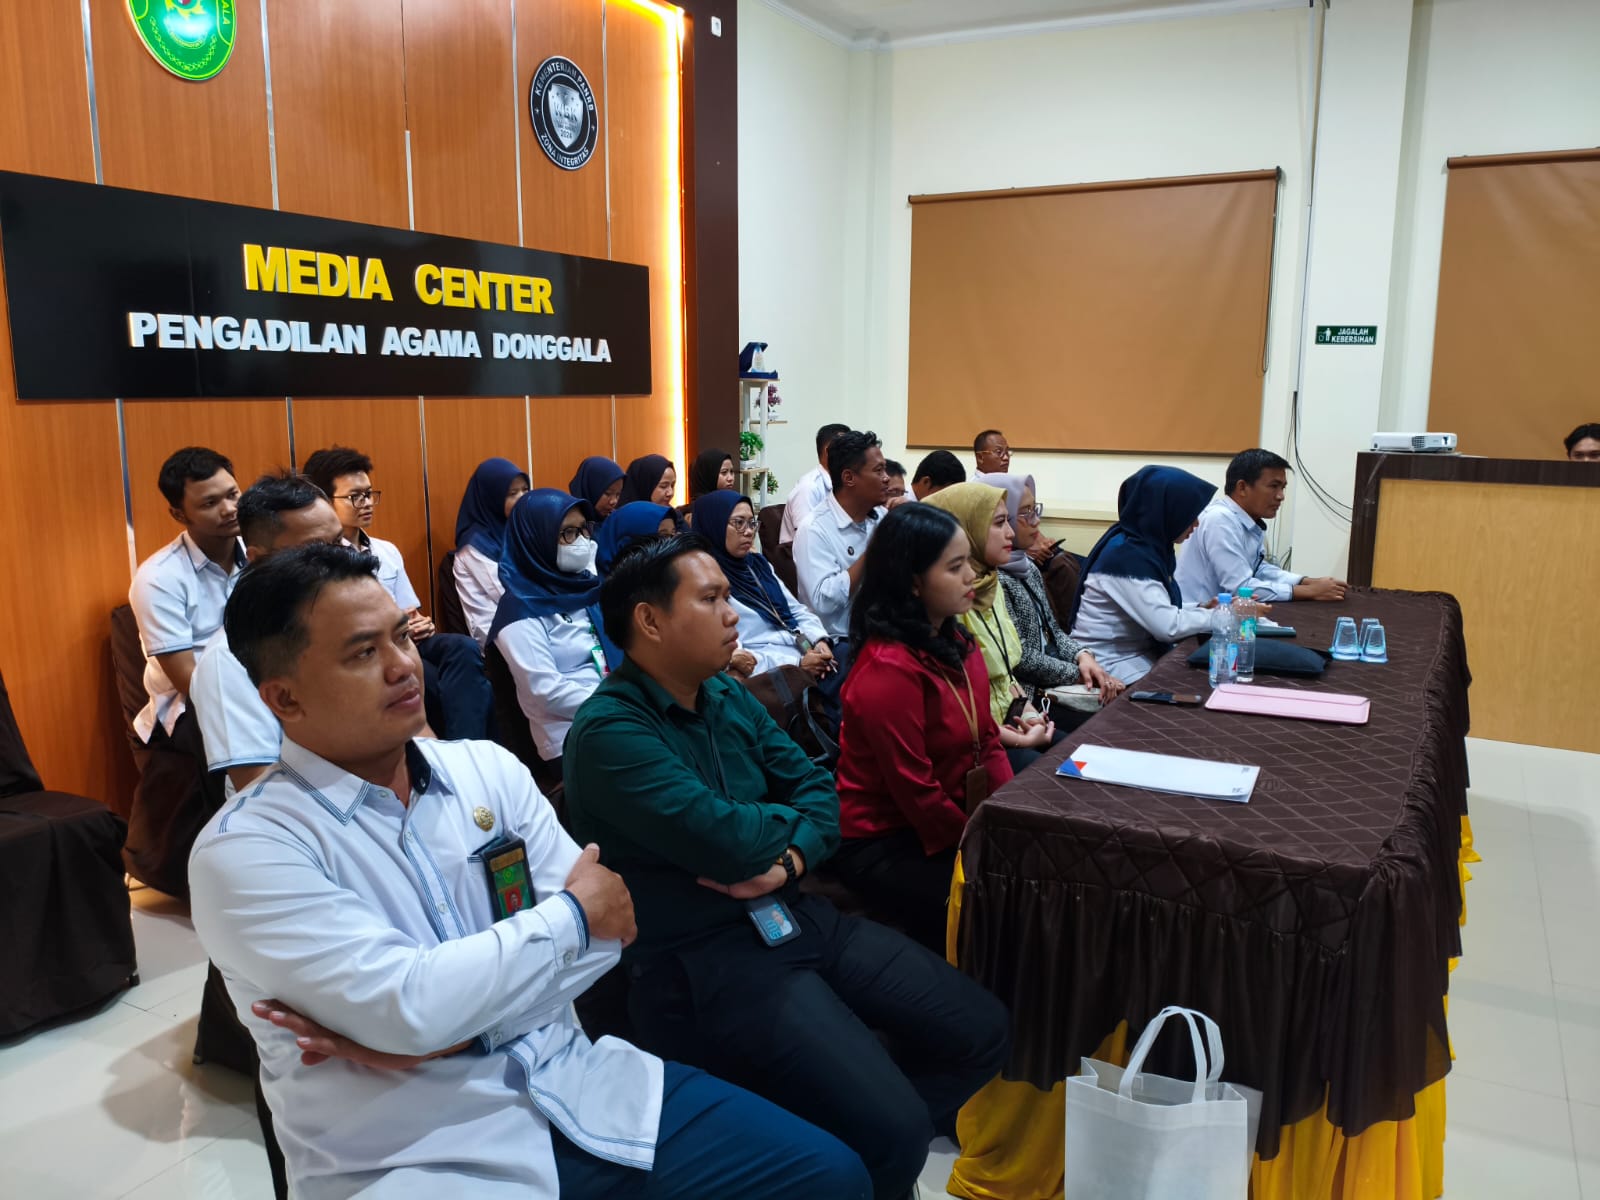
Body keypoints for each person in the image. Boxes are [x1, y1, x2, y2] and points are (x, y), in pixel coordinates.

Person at [189, 542, 872, 1200]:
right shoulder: (247, 851)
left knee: (833, 1174)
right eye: (364, 653)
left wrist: (438, 1029)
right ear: (284, 699)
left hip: (580, 1084)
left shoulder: (484, 770)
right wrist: (567, 919)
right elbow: (417, 1004)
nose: (404, 667)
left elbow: (613, 933)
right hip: (413, 1153)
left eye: (401, 637)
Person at [564, 535, 1010, 1200]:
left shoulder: (724, 694)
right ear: (649, 620)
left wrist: (790, 856)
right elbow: (729, 844)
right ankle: (848, 1152)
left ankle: (827, 1152)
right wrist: (777, 835)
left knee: (981, 1031)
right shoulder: (609, 734)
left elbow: (819, 791)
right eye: (711, 598)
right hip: (707, 958)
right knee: (893, 1129)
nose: (733, 613)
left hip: (795, 915)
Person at [831, 504, 1013, 952]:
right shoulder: (886, 671)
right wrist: (978, 846)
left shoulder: (955, 641)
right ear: (913, 581)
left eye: (968, 560)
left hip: (950, 816)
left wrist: (1011, 818)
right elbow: (916, 791)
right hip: (884, 838)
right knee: (994, 900)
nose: (972, 575)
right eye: (955, 567)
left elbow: (987, 740)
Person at [304, 445, 494, 739]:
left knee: (463, 649)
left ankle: (468, 746)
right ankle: (461, 747)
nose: (366, 503)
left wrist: (423, 623)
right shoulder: (320, 558)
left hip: (406, 640)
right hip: (368, 649)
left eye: (369, 494)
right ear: (325, 501)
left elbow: (411, 612)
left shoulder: (386, 550)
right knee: (433, 681)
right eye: (355, 496)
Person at [124, 446, 246, 894]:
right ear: (179, 512)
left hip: (270, 684)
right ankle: (239, 872)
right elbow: (190, 681)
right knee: (239, 730)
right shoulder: (159, 578)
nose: (230, 509)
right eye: (210, 503)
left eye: (233, 494)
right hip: (191, 704)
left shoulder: (265, 551)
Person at [924, 482, 1057, 772]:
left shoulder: (990, 583)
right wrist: (1022, 738)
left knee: (1076, 756)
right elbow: (957, 717)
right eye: (999, 523)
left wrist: (1030, 714)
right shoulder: (947, 604)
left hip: (1008, 720)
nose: (1010, 532)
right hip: (977, 741)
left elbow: (1008, 674)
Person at [977, 471, 1123, 714]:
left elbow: (1053, 631)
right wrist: (1078, 675)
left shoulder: (1028, 567)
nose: (1035, 521)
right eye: (1024, 512)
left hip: (1051, 681)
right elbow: (1021, 659)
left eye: (1035, 509)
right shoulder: (993, 580)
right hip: (1029, 695)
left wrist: (1082, 656)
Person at [489, 490, 609, 773]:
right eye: (567, 533)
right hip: (570, 734)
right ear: (536, 539)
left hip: (620, 710)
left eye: (583, 530)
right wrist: (619, 705)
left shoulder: (586, 588)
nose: (580, 541)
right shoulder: (518, 608)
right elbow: (545, 691)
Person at [1068, 465, 1219, 685]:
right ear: (1167, 511)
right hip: (1109, 665)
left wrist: (1202, 609)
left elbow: (1157, 607)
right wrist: (1224, 617)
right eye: (1189, 515)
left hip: (1136, 656)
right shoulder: (1126, 557)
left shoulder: (1147, 546)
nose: (1196, 524)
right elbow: (1167, 627)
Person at [691, 489, 833, 681]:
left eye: (752, 523)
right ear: (713, 525)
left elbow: (796, 610)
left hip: (802, 652)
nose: (749, 531)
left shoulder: (758, 564)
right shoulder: (708, 582)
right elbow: (740, 656)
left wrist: (819, 640)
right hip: (774, 672)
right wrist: (797, 664)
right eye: (739, 523)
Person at [1175, 448, 1347, 604]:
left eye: (1283, 488)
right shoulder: (1219, 520)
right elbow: (1242, 588)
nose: (1281, 496)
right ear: (1242, 487)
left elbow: (1257, 569)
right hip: (1198, 626)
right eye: (1273, 486)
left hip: (1225, 618)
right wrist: (1310, 591)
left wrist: (1305, 581)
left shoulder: (1245, 519)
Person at [793, 430, 889, 640]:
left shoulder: (881, 517)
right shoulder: (814, 529)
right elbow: (823, 603)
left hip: (883, 630)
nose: (886, 478)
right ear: (848, 478)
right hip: (840, 641)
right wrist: (872, 550)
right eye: (878, 471)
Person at [454, 457, 532, 646]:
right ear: (492, 499)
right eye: (512, 493)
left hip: (529, 621)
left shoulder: (517, 530)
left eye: (525, 490)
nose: (522, 498)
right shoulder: (474, 545)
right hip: (496, 635)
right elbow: (509, 594)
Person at [780, 422, 851, 545]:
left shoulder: (843, 483)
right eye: (846, 449)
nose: (852, 455)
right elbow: (806, 538)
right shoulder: (808, 488)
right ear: (828, 451)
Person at [569, 455, 627, 522]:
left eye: (618, 494)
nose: (614, 501)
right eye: (607, 494)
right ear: (589, 489)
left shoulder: (616, 520)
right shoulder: (569, 523)